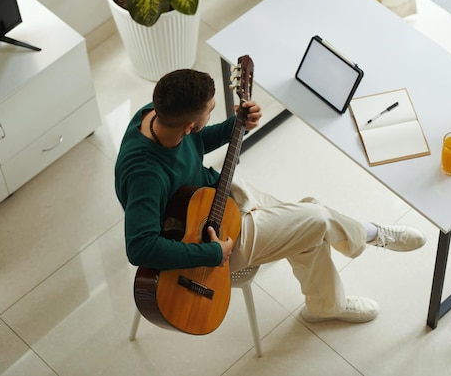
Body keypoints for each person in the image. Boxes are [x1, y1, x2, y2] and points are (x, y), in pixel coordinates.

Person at [115, 69, 426, 324]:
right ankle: (370, 234)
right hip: (206, 243)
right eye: (210, 112)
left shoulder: (157, 116)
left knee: (309, 224)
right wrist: (212, 254)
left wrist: (236, 125)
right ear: (189, 124)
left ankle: (325, 305)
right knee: (315, 218)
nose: (211, 115)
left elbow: (195, 142)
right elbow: (140, 247)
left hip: (210, 198)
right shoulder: (146, 175)